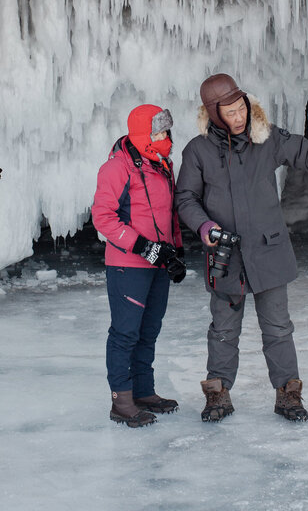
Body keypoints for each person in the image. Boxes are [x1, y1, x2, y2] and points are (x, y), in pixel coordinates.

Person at [175, 73, 308, 423]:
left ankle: (288, 394)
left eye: (242, 109)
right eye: (230, 112)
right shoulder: (198, 151)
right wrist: (204, 226)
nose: (239, 117)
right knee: (223, 329)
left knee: (278, 327)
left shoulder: (266, 139)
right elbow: (186, 198)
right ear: (213, 114)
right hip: (226, 257)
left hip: (269, 251)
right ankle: (218, 394)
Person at [91, 104, 186, 427]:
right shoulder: (117, 168)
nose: (164, 138)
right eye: (157, 132)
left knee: (149, 331)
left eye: (166, 132)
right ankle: (122, 400)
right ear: (142, 134)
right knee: (125, 332)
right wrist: (144, 247)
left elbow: (169, 213)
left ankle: (144, 391)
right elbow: (103, 217)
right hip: (128, 265)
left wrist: (175, 252)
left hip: (158, 262)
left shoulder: (162, 164)